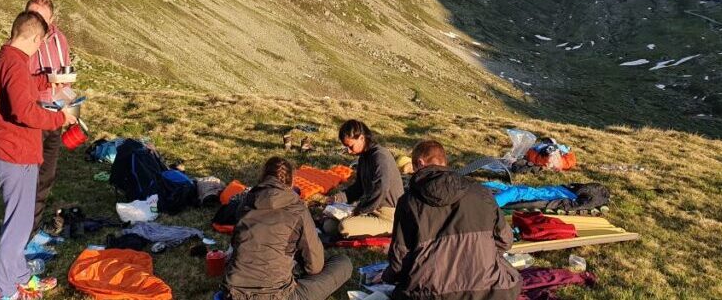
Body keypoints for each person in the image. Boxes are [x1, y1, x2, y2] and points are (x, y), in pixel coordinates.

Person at [0, 11, 77, 299]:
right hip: (15, 153)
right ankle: (7, 290)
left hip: (5, 148)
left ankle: (21, 275)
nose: (40, 48)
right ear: (35, 38)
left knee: (20, 220)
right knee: (18, 225)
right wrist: (60, 119)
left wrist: (47, 83)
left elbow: (18, 90)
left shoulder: (3, 59)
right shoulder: (13, 63)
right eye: (40, 43)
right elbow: (23, 111)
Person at [382, 140, 522, 300]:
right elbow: (505, 240)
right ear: (444, 162)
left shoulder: (409, 202)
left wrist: (388, 277)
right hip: (489, 290)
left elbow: (400, 257)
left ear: (420, 163)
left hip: (429, 293)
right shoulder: (481, 192)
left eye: (414, 168)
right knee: (510, 276)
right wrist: (478, 256)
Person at [223, 157, 352, 300]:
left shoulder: (246, 203)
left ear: (263, 178)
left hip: (234, 293)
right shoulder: (298, 210)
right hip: (277, 295)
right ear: (291, 182)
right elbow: (314, 267)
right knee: (342, 263)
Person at [24, 0, 73, 236]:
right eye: (32, 16)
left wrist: (70, 105)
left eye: (42, 18)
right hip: (34, 115)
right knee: (27, 174)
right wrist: (46, 80)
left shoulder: (59, 39)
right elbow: (18, 83)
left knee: (47, 173)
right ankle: (22, 227)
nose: (37, 23)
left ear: (52, 19)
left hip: (56, 113)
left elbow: (65, 75)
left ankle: (33, 224)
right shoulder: (23, 41)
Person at [325, 120, 404, 238]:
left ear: (362, 138)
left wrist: (359, 210)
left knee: (345, 227)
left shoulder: (380, 156)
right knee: (328, 226)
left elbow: (381, 189)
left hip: (388, 216)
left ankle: (388, 229)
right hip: (371, 210)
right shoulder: (364, 158)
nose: (349, 151)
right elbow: (359, 187)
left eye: (351, 146)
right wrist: (338, 198)